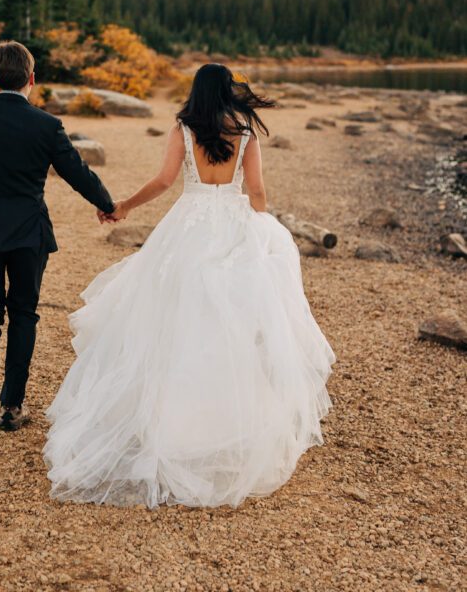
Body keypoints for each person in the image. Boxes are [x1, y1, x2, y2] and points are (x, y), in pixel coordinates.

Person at [44, 63, 336, 507]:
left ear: (196, 93)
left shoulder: (184, 128)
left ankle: (169, 423)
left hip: (189, 225)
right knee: (233, 327)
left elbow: (164, 181)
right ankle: (226, 423)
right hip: (234, 226)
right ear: (228, 92)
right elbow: (257, 193)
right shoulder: (245, 133)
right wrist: (256, 217)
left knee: (175, 320)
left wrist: (123, 206)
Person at [0, 40, 115, 432]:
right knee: (24, 314)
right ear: (32, 79)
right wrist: (106, 203)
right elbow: (76, 171)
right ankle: (11, 408)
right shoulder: (46, 125)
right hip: (29, 233)